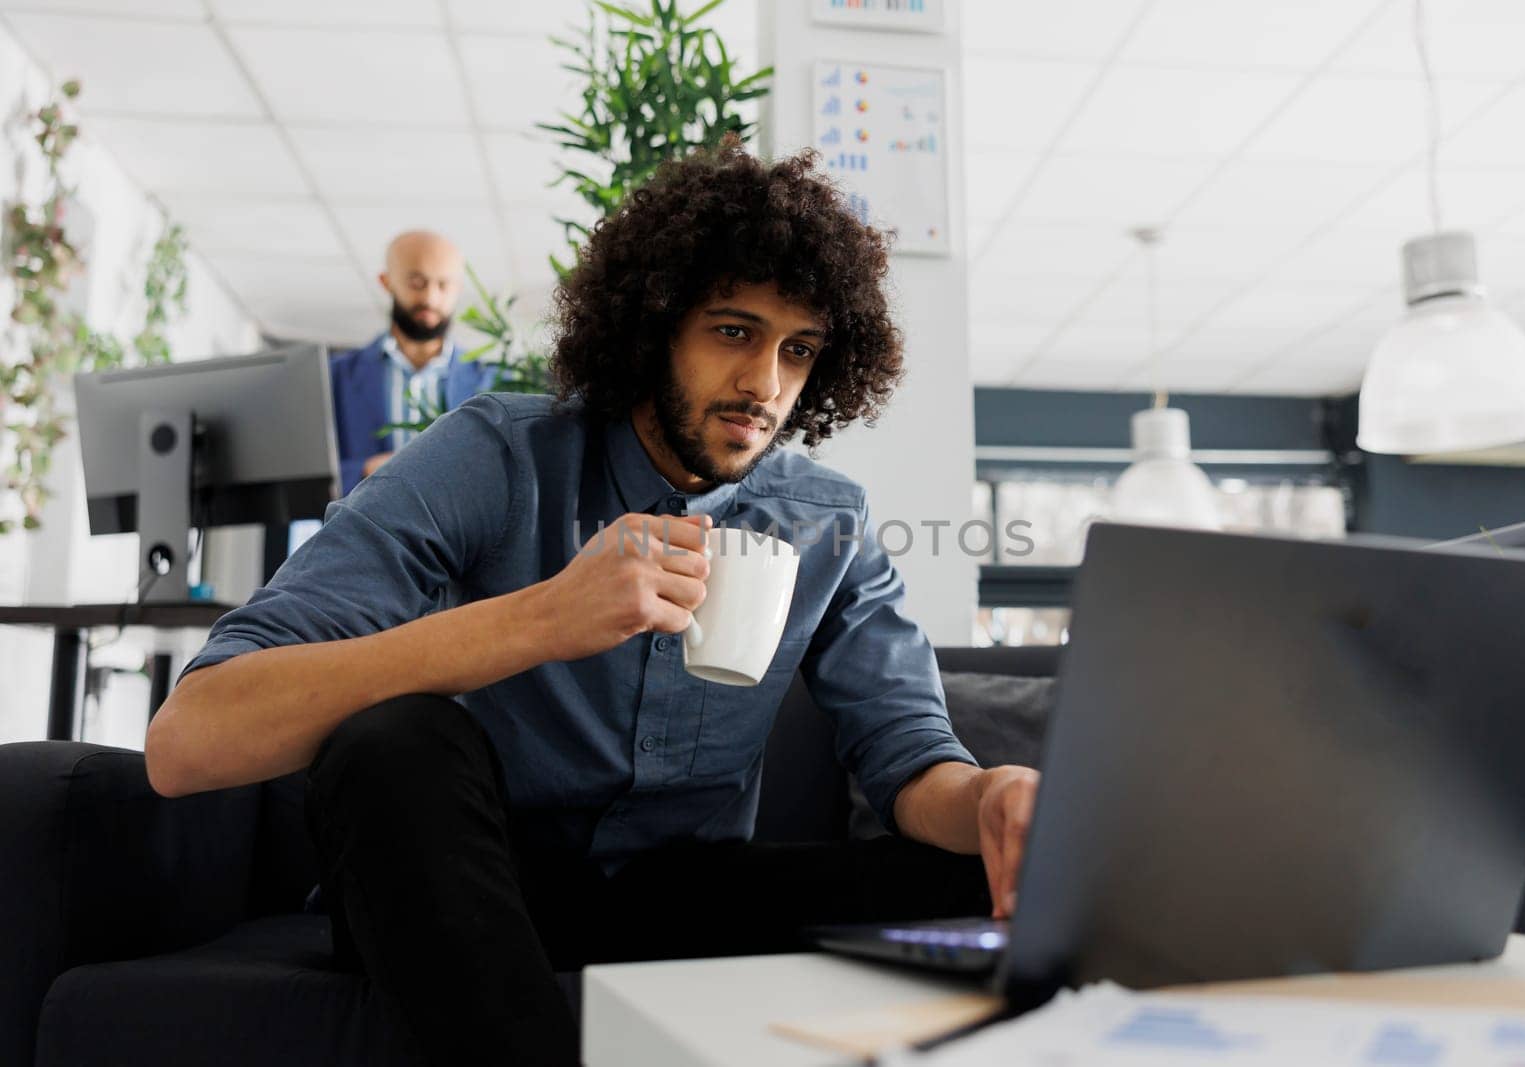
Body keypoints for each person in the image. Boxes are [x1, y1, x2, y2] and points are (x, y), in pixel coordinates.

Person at [145, 142, 1040, 1067]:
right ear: (653, 324)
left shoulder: (827, 523)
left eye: (798, 349)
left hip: (684, 898)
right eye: (733, 331)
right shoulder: (496, 456)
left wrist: (986, 797)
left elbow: (907, 758)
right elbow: (188, 740)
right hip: (474, 887)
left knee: (977, 872)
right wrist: (540, 618)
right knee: (393, 741)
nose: (765, 384)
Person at [328, 229, 498, 495]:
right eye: (417, 283)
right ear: (387, 282)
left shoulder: (492, 383)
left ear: (458, 289)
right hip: (361, 531)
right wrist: (366, 470)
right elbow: (307, 474)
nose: (430, 298)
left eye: (443, 285)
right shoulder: (334, 378)